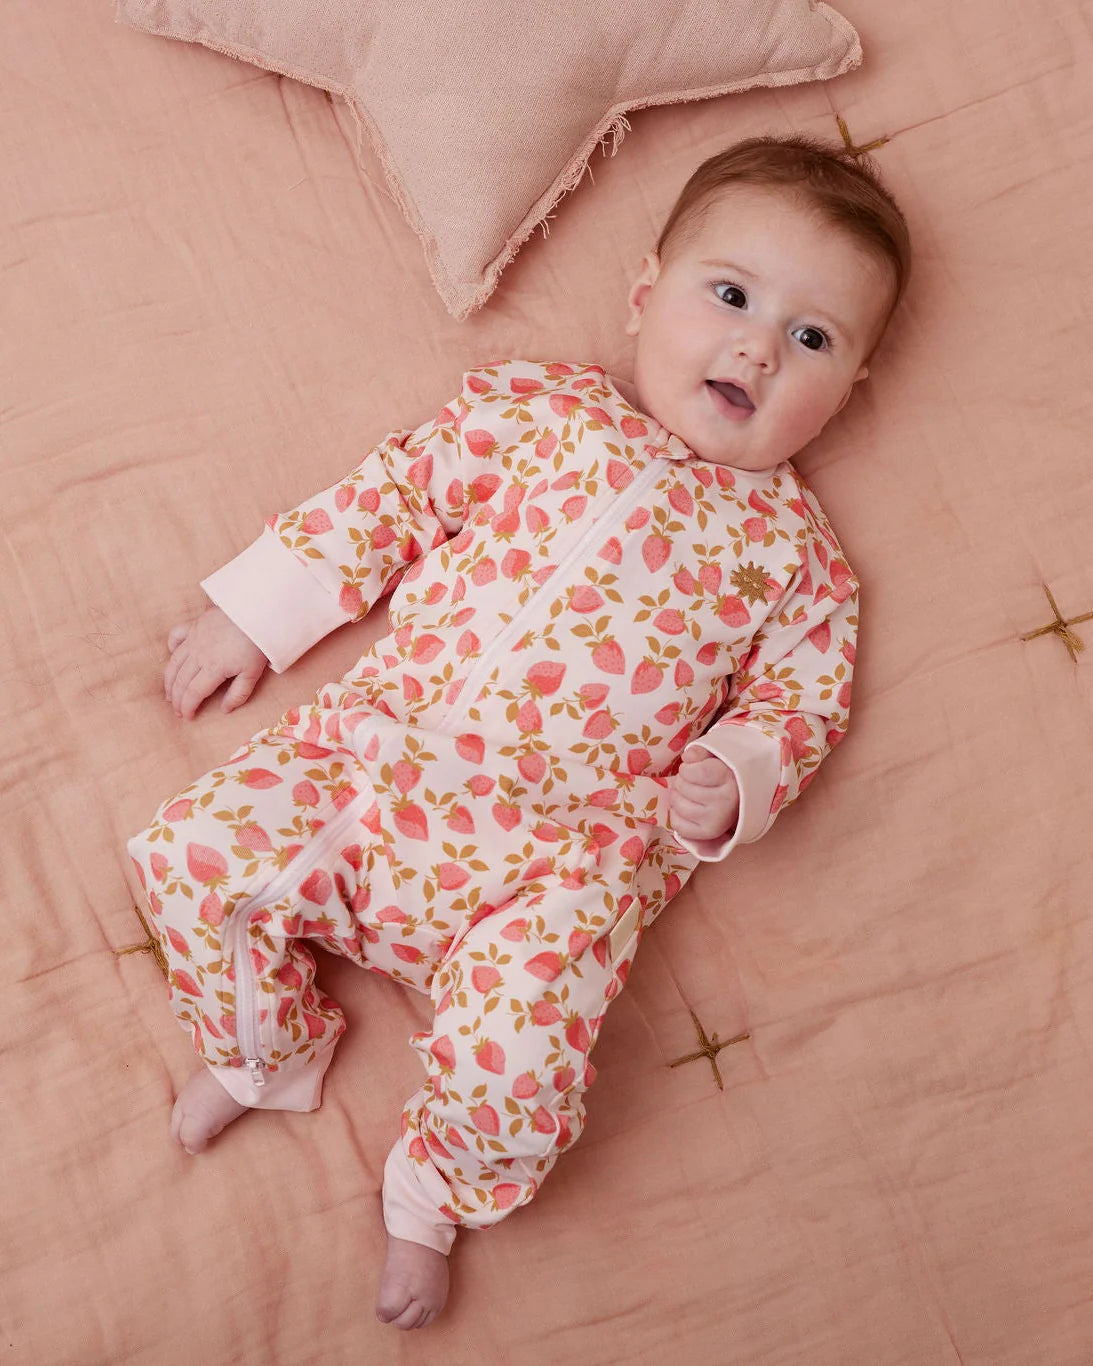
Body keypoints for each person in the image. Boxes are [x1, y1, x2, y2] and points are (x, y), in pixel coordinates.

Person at [127, 135, 911, 1331]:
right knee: (189, 857)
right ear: (645, 292)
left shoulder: (795, 563)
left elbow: (800, 704)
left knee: (526, 1069)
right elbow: (393, 496)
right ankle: (266, 1049)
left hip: (557, 868)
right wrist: (258, 615)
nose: (758, 345)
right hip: (378, 762)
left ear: (850, 387)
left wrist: (737, 768)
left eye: (812, 337)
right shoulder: (543, 411)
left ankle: (432, 1190)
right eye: (731, 295)